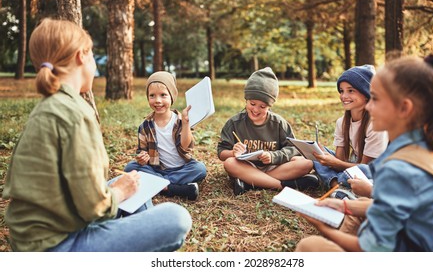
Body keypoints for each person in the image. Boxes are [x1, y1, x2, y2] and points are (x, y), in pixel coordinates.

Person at [2, 18, 192, 252]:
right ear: (82, 56)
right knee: (176, 217)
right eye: (92, 54)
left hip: (43, 233)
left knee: (136, 180)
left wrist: (122, 188)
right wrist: (120, 192)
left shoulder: (49, 106)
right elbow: (93, 207)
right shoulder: (74, 113)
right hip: (59, 246)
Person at [295, 53, 433, 252]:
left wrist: (322, 228)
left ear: (404, 108)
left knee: (310, 245)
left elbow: (371, 251)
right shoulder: (432, 146)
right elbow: (399, 209)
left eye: (376, 99)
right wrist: (345, 207)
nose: (369, 105)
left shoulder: (398, 169)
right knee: (359, 203)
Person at [217, 67, 319, 196]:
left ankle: (250, 183)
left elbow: (293, 149)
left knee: (306, 163)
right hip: (246, 167)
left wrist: (273, 156)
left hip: (274, 167)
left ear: (270, 106)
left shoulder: (278, 123)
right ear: (246, 100)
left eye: (262, 106)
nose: (256, 110)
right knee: (230, 163)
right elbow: (221, 153)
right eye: (252, 104)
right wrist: (233, 152)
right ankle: (282, 186)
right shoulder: (234, 123)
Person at [292, 65, 388, 199]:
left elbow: (365, 166)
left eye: (351, 91)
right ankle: (338, 185)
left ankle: (335, 183)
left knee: (357, 171)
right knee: (318, 156)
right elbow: (339, 159)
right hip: (352, 165)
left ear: (366, 94)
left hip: (375, 169)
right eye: (341, 91)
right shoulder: (342, 122)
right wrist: (324, 156)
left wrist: (333, 163)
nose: (344, 96)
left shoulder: (375, 124)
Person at [124, 71, 207, 201]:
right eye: (152, 96)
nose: (158, 101)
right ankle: (174, 188)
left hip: (181, 169)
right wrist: (142, 158)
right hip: (157, 170)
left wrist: (186, 124)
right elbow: (142, 151)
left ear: (172, 96)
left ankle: (158, 185)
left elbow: (186, 146)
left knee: (200, 169)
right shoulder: (145, 126)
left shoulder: (180, 120)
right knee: (130, 167)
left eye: (163, 95)